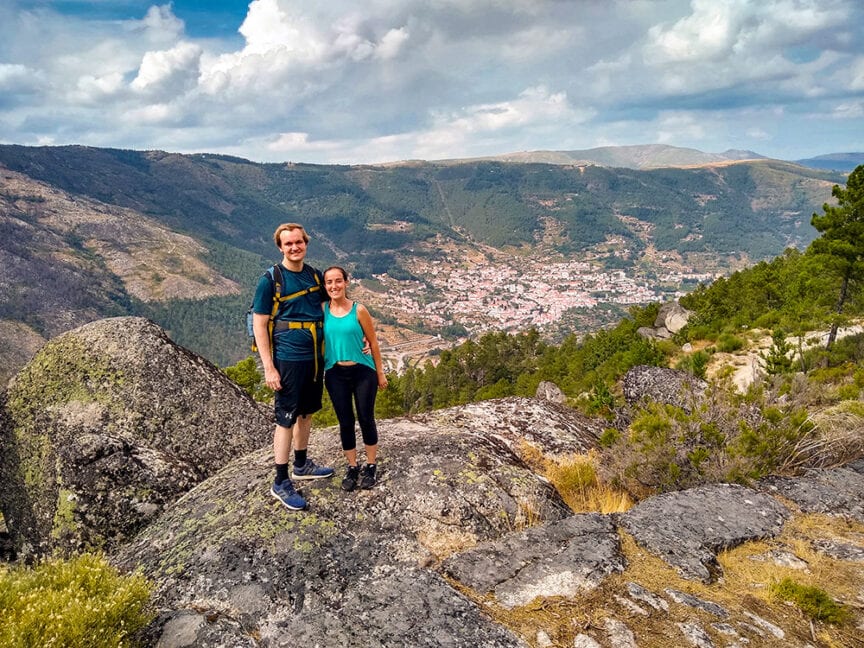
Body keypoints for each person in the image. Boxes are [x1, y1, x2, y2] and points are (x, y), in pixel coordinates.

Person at [252, 223, 334, 511]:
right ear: (280, 247)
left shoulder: (315, 275)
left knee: (307, 412)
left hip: (314, 357)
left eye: (299, 242)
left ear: (306, 244)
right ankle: (280, 480)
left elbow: (333, 309)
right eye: (289, 244)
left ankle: (301, 464)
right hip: (288, 359)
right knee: (286, 417)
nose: (294, 247)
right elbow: (259, 323)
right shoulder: (271, 280)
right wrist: (268, 367)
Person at [322, 266, 388, 491]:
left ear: (346, 282)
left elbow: (373, 341)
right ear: (325, 286)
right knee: (345, 421)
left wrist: (380, 372)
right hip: (335, 372)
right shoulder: (322, 310)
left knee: (366, 417)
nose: (334, 286)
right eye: (329, 282)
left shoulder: (359, 310)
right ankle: (352, 466)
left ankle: (370, 465)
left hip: (362, 370)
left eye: (338, 281)